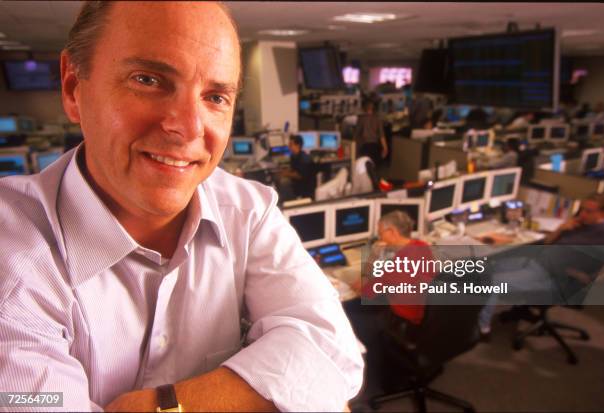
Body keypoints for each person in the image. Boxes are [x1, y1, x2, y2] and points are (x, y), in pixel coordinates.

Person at [0, 2, 363, 412]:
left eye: (215, 96)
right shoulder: (11, 248)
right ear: (72, 87)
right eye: (148, 79)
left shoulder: (247, 210)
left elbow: (334, 356)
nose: (188, 127)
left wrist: (164, 406)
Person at [478, 193, 604, 336]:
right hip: (537, 263)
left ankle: (482, 329)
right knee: (487, 267)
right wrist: (561, 228)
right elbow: (547, 243)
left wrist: (587, 279)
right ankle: (513, 310)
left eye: (588, 211)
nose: (583, 214)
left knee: (493, 283)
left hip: (554, 278)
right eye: (582, 209)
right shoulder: (579, 224)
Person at [344, 211, 434, 402]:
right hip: (427, 317)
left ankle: (371, 376)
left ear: (392, 232)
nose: (379, 237)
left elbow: (362, 289)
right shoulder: (422, 247)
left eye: (380, 233)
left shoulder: (396, 265)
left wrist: (373, 256)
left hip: (405, 323)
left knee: (350, 312)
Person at [278, 134, 316, 199]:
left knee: (283, 182)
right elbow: (293, 169)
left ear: (298, 145)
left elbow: (300, 175)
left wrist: (285, 174)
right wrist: (284, 171)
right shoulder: (294, 156)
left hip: (304, 186)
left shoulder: (304, 158)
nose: (289, 147)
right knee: (279, 179)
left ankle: (288, 203)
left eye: (291, 144)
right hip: (298, 181)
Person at [354, 99, 388, 167]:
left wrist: (355, 149)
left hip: (364, 147)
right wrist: (385, 148)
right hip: (375, 146)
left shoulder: (361, 119)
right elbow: (382, 135)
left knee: (365, 167)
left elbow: (356, 135)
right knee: (374, 167)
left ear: (364, 108)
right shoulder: (377, 119)